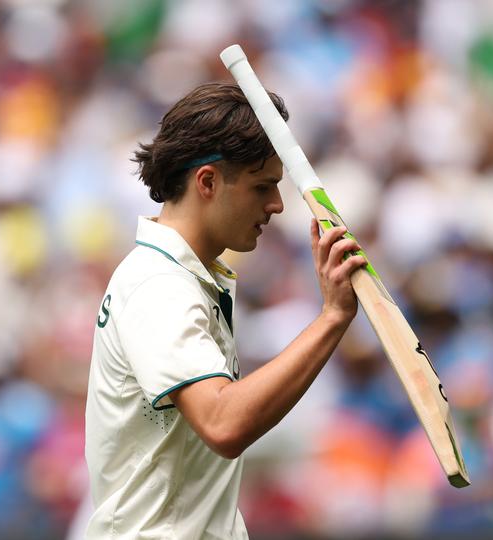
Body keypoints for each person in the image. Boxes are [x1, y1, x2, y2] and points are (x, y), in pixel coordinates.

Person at [84, 82, 366, 538]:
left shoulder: (184, 278)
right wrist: (332, 317)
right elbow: (224, 422)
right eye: (262, 186)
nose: (276, 205)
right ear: (208, 182)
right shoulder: (160, 286)